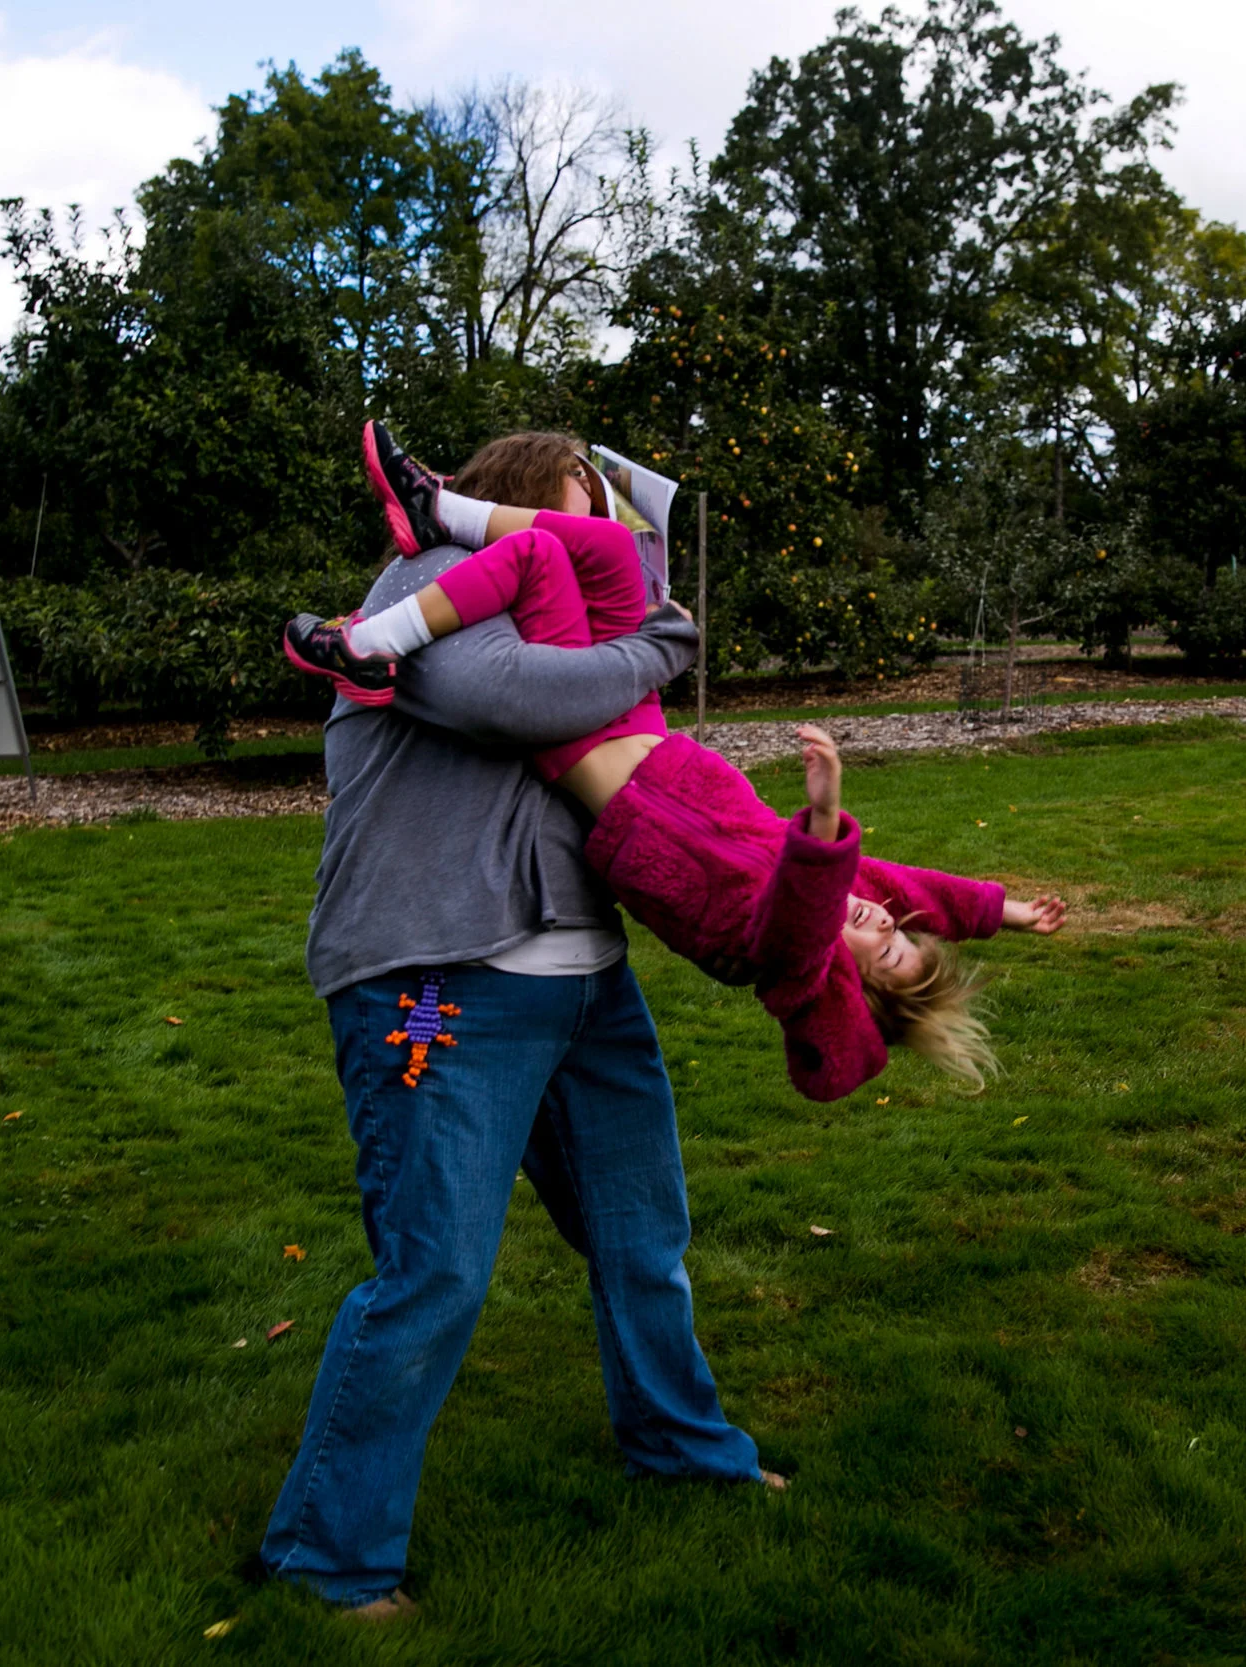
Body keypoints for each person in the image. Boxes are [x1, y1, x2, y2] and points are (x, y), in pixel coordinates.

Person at [264, 429, 776, 1623]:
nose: (607, 540)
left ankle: (681, 1445)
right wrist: (661, 636)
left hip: (587, 984)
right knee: (433, 1269)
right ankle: (328, 1557)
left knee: (640, 1235)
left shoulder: (568, 623)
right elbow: (509, 698)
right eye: (580, 508)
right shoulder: (415, 600)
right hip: (439, 982)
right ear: (504, 512)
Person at [286, 423, 1067, 1101]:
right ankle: (424, 530)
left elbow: (809, 928)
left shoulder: (798, 956)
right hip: (643, 735)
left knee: (541, 553)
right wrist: (1007, 910)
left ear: (847, 988)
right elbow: (920, 893)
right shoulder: (859, 905)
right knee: (591, 549)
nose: (884, 917)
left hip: (599, 745)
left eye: (888, 949)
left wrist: (825, 821)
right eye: (902, 932)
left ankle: (362, 645)